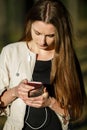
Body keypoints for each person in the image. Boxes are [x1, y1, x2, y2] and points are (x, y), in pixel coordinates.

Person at [0, 0, 86, 130]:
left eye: (50, 35)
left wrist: (50, 102)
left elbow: (76, 112)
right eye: (37, 33)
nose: (42, 41)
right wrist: (16, 91)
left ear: (61, 32)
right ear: (30, 25)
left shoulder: (67, 57)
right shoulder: (10, 52)